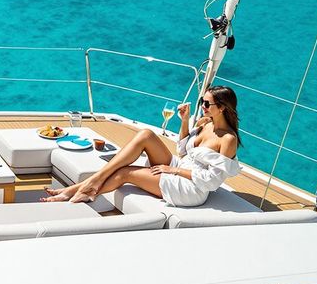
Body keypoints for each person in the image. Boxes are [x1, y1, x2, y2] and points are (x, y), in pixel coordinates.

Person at [44, 85, 242, 207]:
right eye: (202, 102)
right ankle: (89, 183)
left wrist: (171, 170)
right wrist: (184, 121)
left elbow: (211, 182)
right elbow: (181, 151)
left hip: (191, 188)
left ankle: (82, 192)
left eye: (207, 104)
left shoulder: (227, 140)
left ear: (222, 107)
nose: (203, 107)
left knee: (125, 173)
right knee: (146, 135)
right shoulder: (205, 123)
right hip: (180, 167)